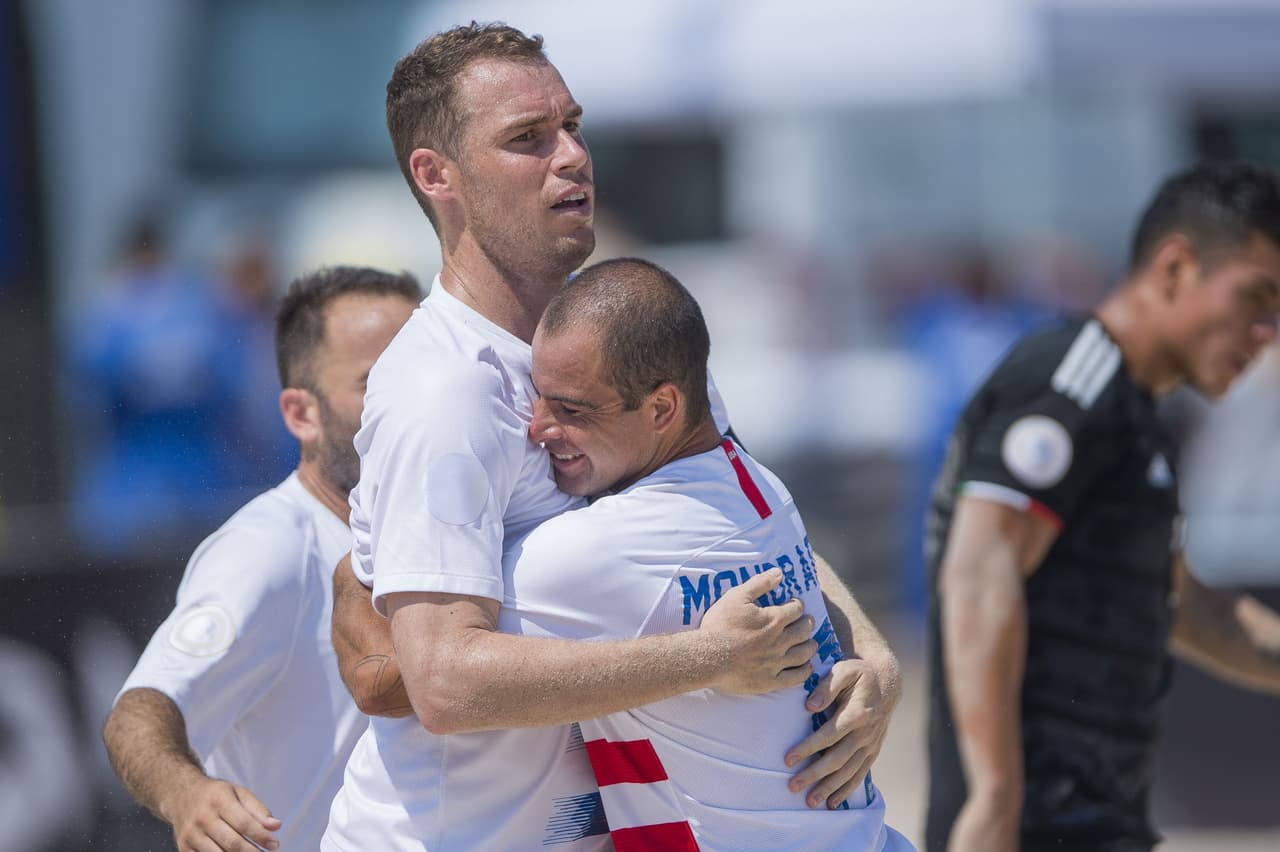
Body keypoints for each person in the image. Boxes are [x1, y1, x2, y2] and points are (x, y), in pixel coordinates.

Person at [323, 22, 901, 850]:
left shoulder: (617, 335)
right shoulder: (445, 390)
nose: (573, 156)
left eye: (574, 125)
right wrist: (702, 659)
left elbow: (741, 517)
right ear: (435, 175)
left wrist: (869, 656)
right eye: (529, 139)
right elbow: (443, 680)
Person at [925, 161, 1280, 852]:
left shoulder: (1142, 422)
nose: (1266, 333)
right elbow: (979, 570)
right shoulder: (1073, 379)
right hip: (1026, 828)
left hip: (1102, 824)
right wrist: (995, 796)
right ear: (1176, 267)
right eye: (1256, 299)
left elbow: (1181, 605)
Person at [508, 256, 914, 849]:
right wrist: (878, 657)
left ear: (663, 409)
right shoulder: (755, 485)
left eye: (571, 410)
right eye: (537, 396)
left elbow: (441, 671)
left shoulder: (598, 551)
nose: (536, 426)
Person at [103, 266, 422, 852]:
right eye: (376, 383)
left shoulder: (456, 524)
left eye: (423, 375)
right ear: (302, 413)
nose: (412, 402)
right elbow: (138, 711)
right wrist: (186, 795)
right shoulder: (270, 550)